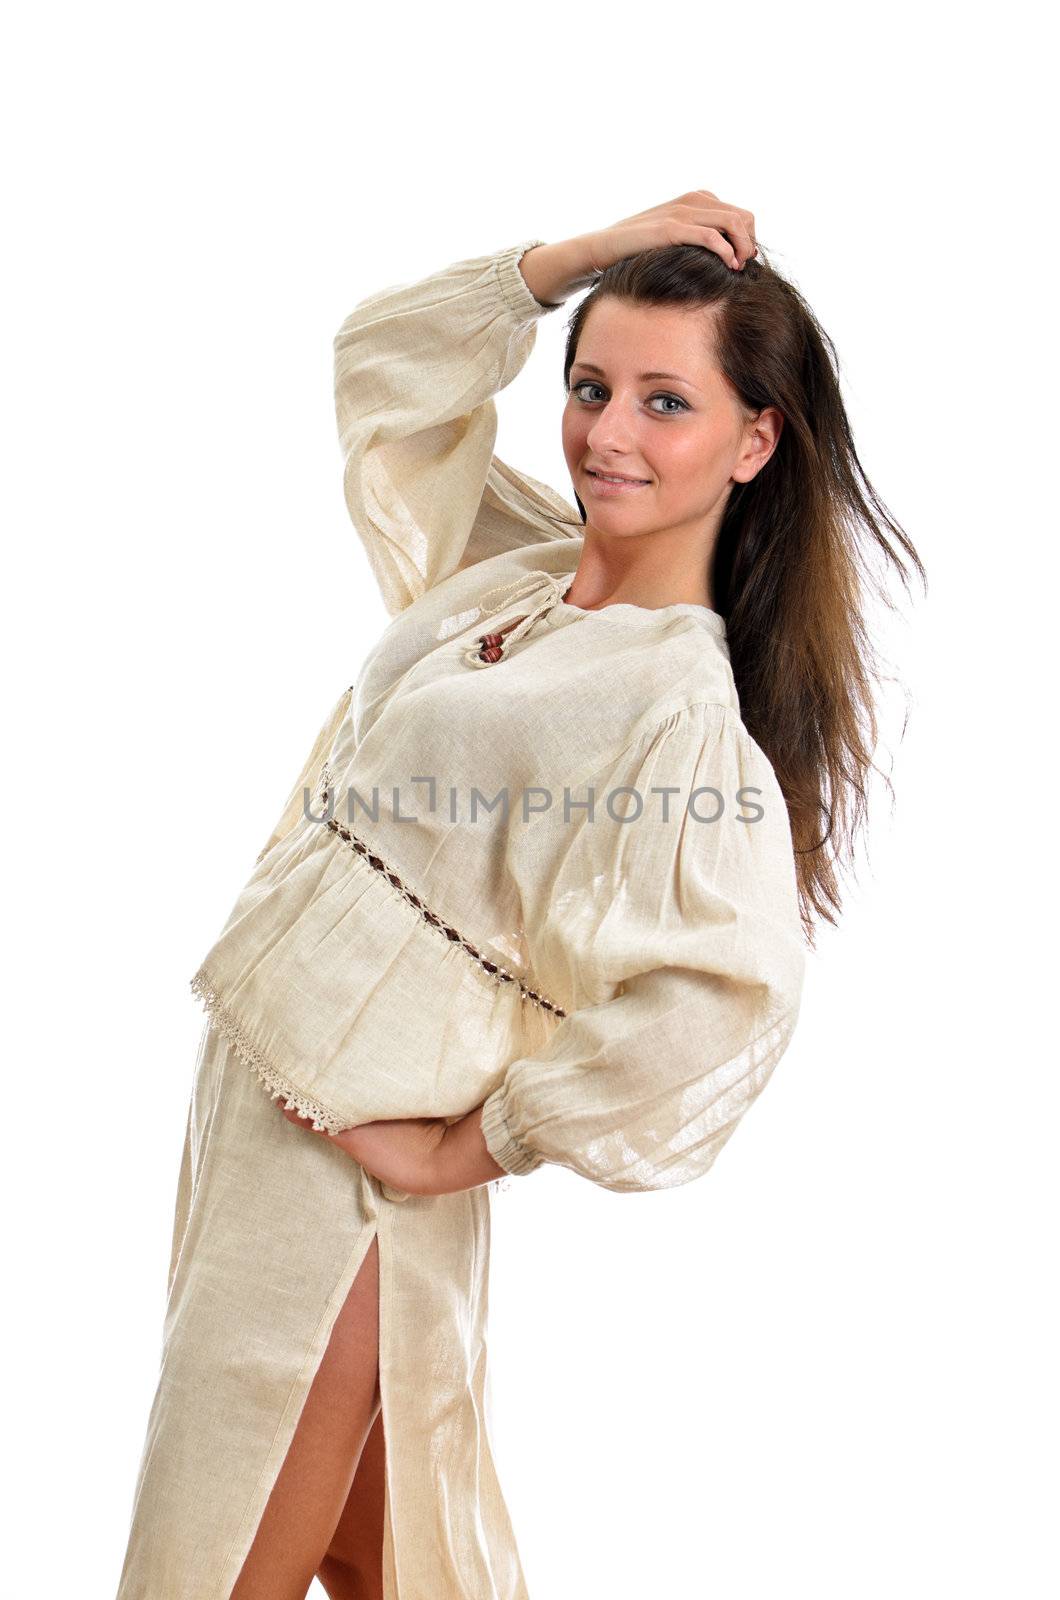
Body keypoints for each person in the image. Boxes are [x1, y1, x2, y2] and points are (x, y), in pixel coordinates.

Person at [114, 190, 924, 1600]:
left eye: (667, 402)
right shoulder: (523, 571)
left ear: (755, 440)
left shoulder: (673, 706)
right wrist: (575, 261)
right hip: (251, 1103)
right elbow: (384, 368)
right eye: (593, 385)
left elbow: (731, 994)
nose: (609, 433)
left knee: (210, 1560)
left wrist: (465, 1147)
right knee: (385, 1559)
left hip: (343, 1178)